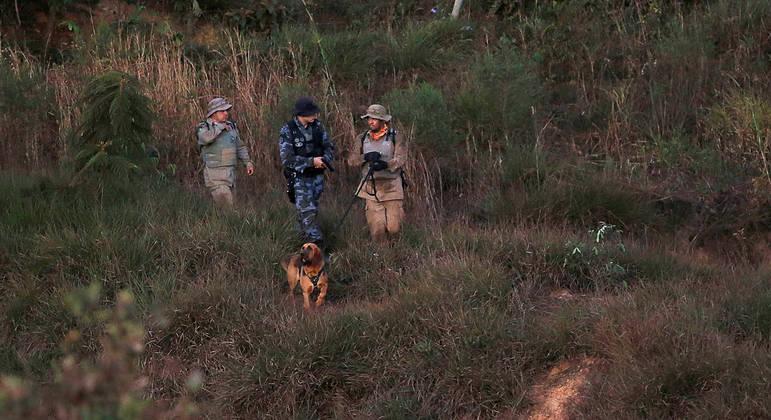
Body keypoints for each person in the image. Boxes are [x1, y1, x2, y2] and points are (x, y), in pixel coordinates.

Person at [279, 97, 335, 246]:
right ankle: (317, 245)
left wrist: (325, 160)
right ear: (301, 114)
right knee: (307, 212)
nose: (315, 115)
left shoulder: (318, 127)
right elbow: (287, 159)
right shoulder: (288, 130)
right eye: (311, 113)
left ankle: (298, 243)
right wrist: (311, 162)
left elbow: (329, 147)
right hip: (299, 178)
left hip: (317, 178)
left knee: (308, 212)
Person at [350, 104, 407, 243]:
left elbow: (401, 158)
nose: (371, 122)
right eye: (369, 118)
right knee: (377, 231)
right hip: (370, 188)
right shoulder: (362, 138)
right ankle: (382, 255)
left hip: (392, 187)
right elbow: (352, 160)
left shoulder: (396, 137)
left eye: (374, 119)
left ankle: (398, 251)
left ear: (383, 120)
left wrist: (385, 165)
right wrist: (366, 157)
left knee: (394, 228)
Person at [196, 97, 254, 207]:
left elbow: (240, 146)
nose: (226, 113)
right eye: (222, 111)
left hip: (231, 175)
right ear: (214, 113)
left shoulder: (231, 126)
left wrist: (247, 162)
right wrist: (220, 128)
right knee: (227, 208)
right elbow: (206, 138)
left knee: (231, 207)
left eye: (226, 110)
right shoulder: (205, 127)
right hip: (215, 176)